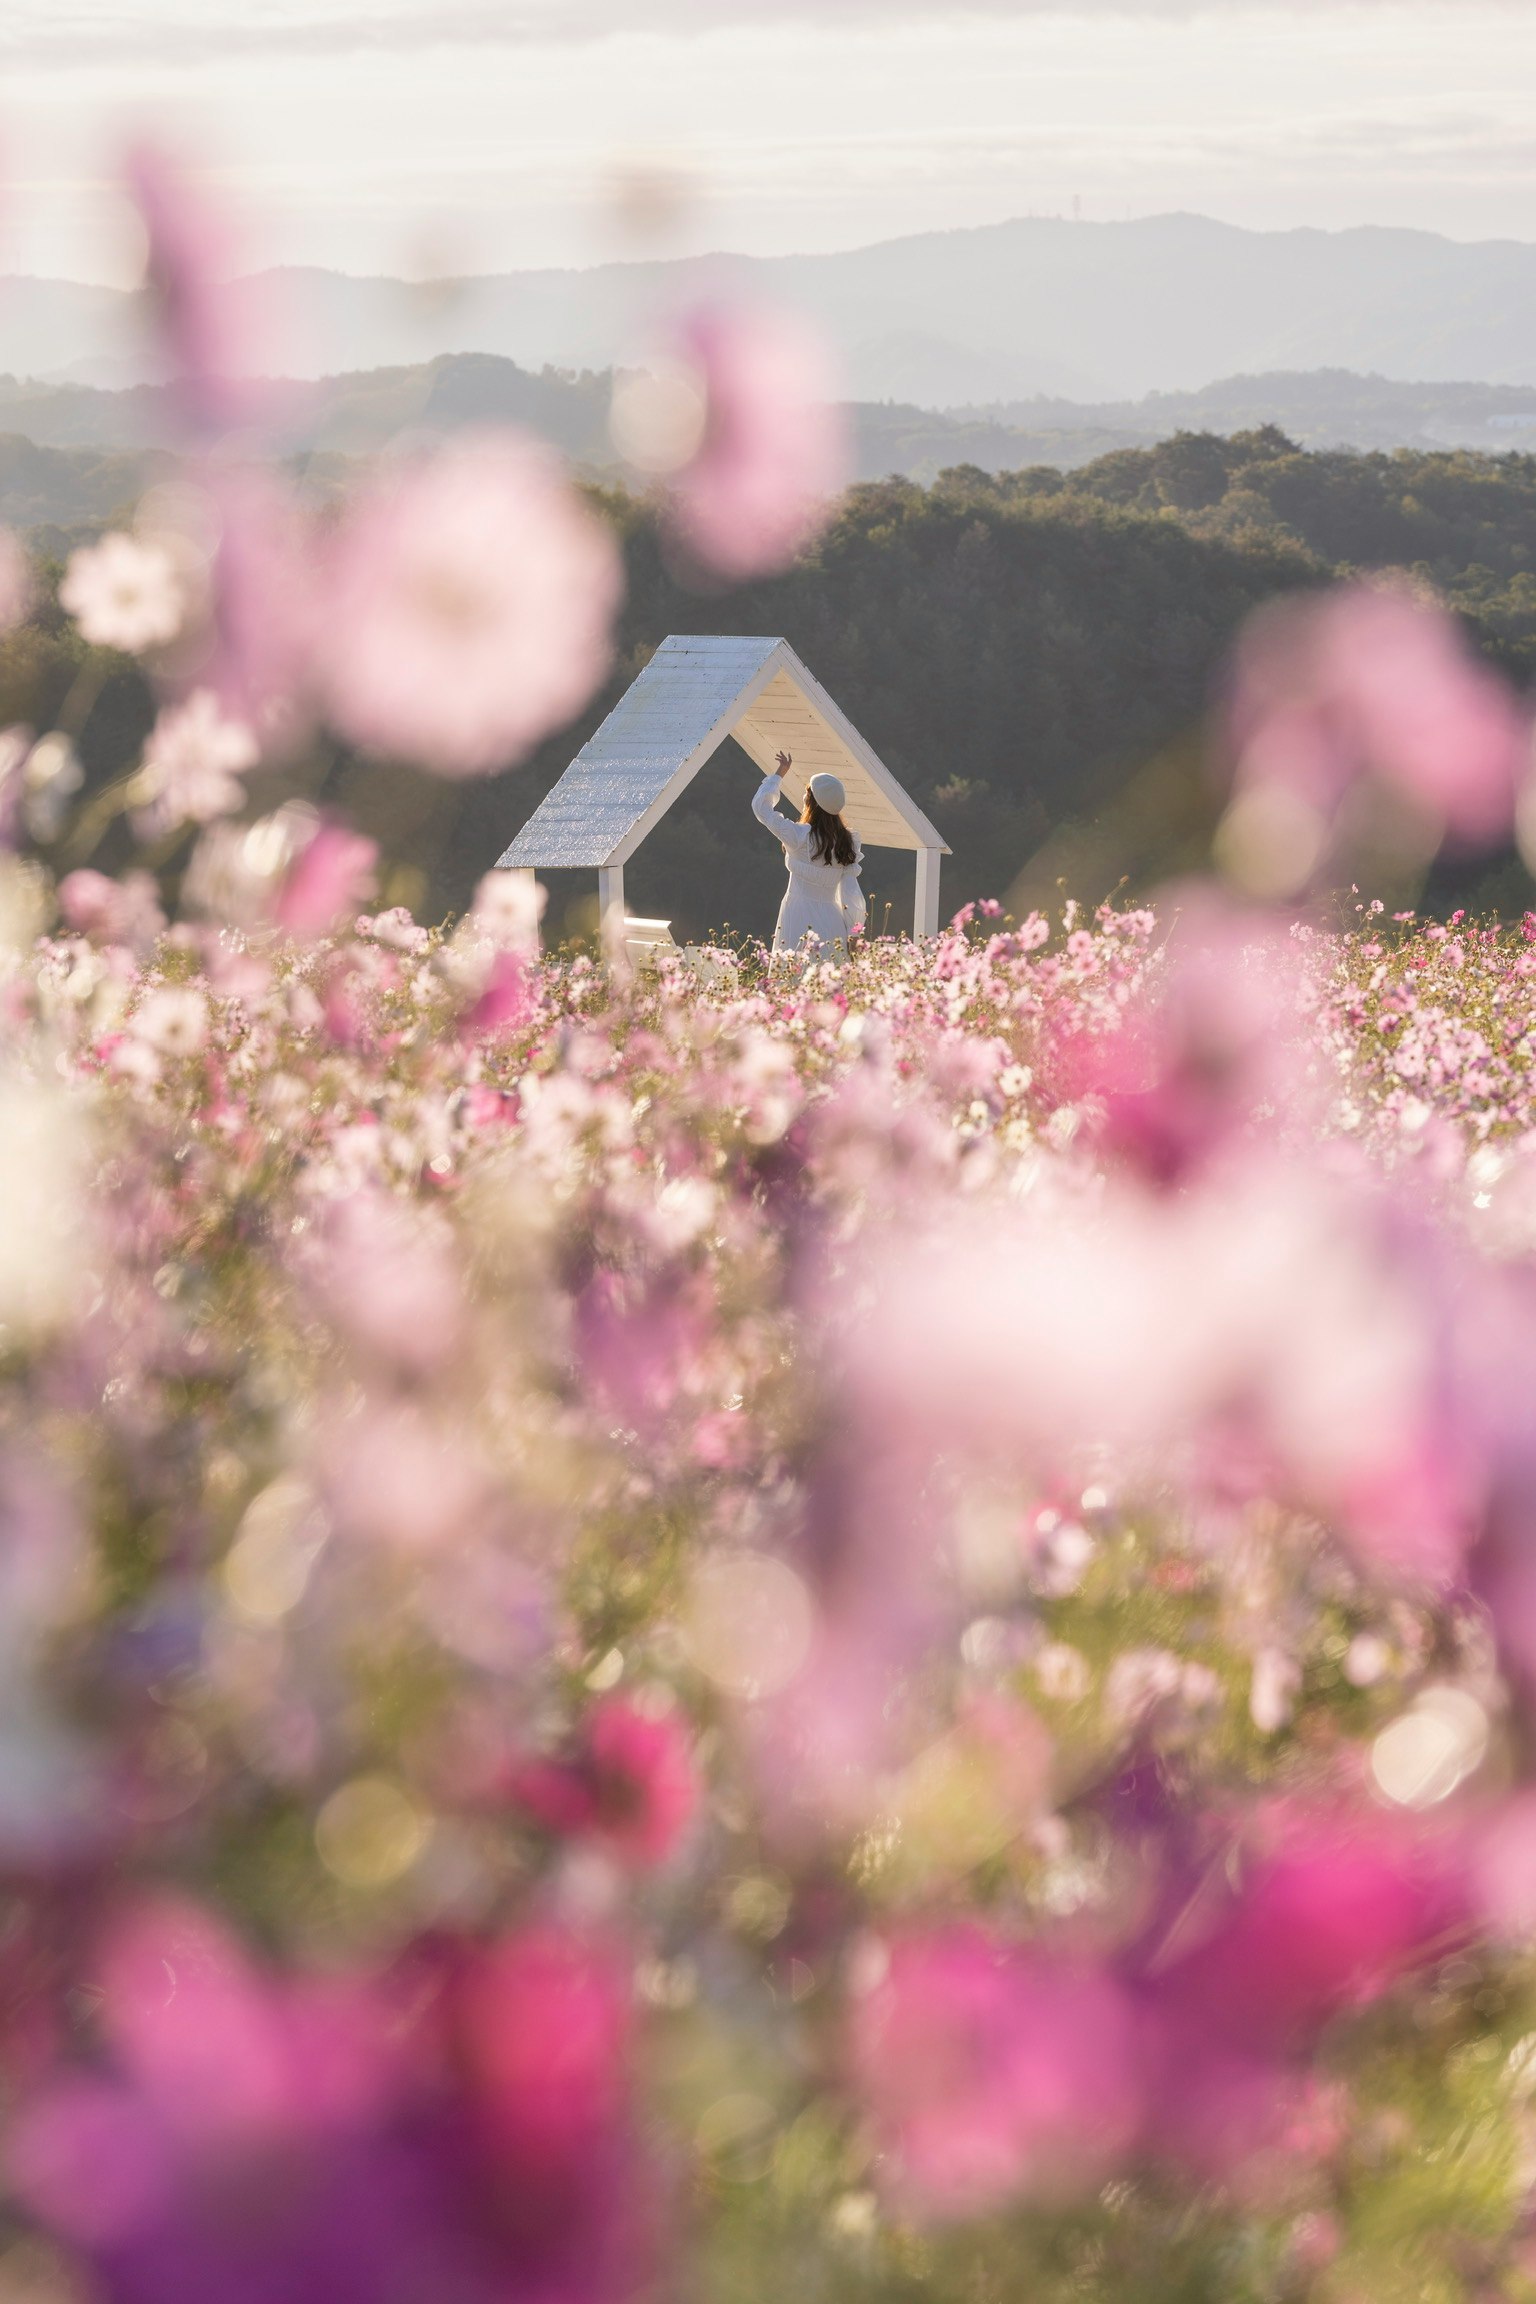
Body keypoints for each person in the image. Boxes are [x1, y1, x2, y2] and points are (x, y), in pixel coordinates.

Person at [751, 750, 867, 956]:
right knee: (828, 971)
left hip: (798, 916)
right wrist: (854, 932)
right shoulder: (846, 841)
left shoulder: (799, 836)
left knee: (794, 969)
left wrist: (779, 774)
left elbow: (761, 807)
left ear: (811, 802)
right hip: (833, 921)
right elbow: (850, 891)